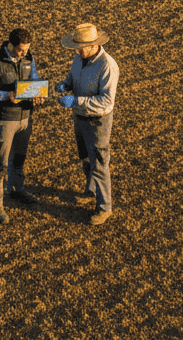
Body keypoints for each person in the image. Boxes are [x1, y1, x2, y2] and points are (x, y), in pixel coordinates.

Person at [0, 27, 45, 224]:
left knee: (19, 157)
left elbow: (34, 80)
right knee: (0, 163)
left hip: (25, 117)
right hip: (5, 119)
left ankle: (16, 189)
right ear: (11, 45)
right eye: (21, 50)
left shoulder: (28, 59)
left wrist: (37, 93)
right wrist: (5, 95)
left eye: (26, 50)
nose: (24, 53)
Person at [56, 22, 119, 226]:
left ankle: (104, 207)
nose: (78, 50)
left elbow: (106, 102)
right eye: (76, 47)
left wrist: (76, 101)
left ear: (94, 45)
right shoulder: (79, 58)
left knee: (100, 163)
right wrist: (66, 84)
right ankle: (91, 190)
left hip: (98, 122)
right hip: (80, 116)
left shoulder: (107, 66)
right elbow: (74, 77)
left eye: (81, 47)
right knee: (85, 156)